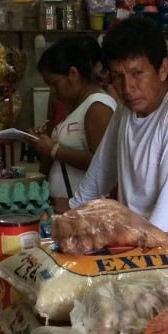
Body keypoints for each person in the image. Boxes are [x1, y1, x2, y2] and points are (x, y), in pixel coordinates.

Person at [68, 16, 168, 240]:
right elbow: (100, 173)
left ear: (163, 69)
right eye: (117, 76)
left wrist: (139, 247)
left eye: (137, 73)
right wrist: (70, 218)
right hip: (150, 248)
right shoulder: (125, 111)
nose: (127, 87)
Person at [30, 37, 116, 212]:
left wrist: (53, 150)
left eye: (54, 83)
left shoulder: (98, 106)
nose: (52, 91)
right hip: (67, 208)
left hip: (86, 211)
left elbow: (102, 163)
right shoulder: (75, 105)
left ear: (73, 74)